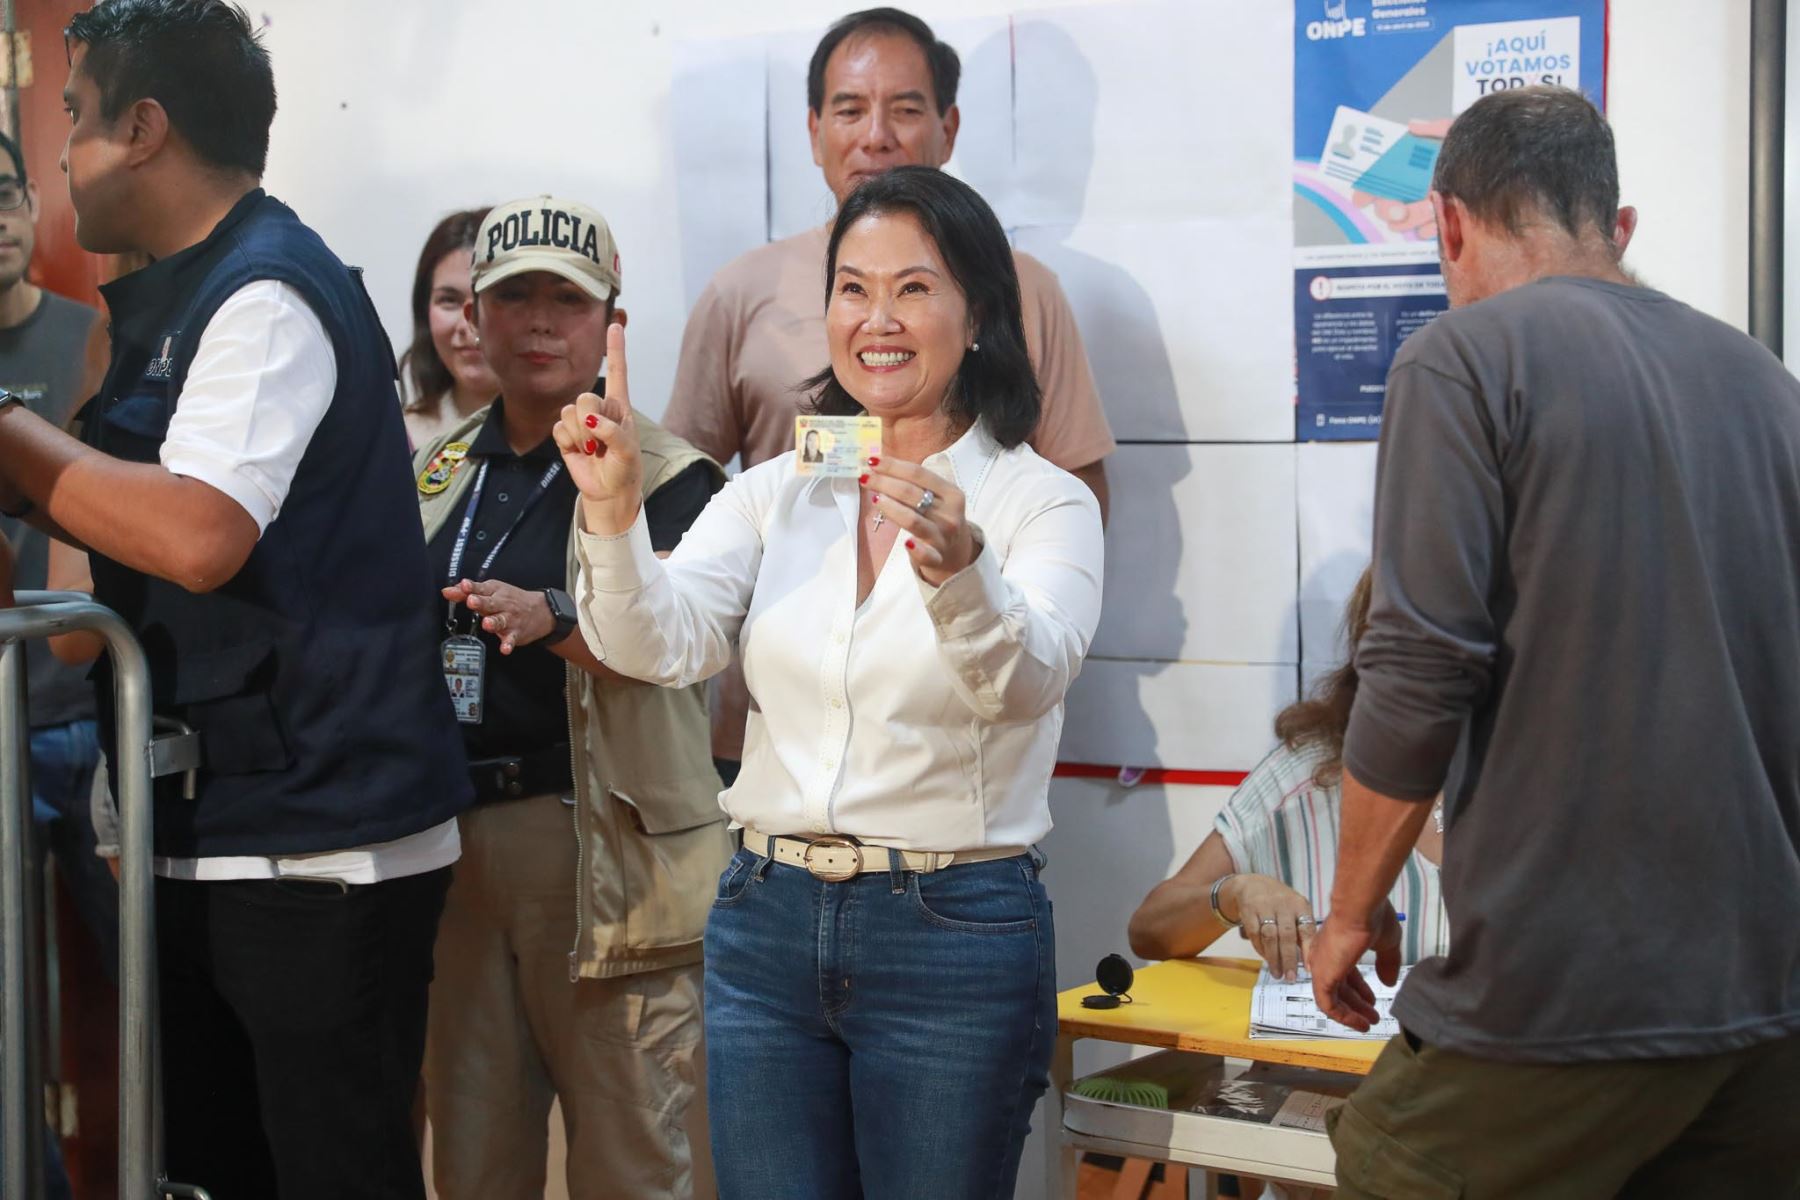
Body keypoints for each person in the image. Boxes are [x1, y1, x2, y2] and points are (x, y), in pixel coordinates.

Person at [0, 3, 472, 1196]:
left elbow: (197, 535)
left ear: (143, 130)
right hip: (211, 829)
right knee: (212, 1171)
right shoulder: (169, 300)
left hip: (319, 849)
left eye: (75, 118)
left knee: (327, 1168)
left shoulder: (267, 294)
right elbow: (114, 533)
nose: (60, 156)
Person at [560, 165, 1103, 1199]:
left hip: (953, 931)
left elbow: (1025, 685)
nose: (877, 319)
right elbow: (657, 645)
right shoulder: (779, 490)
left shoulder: (1042, 502)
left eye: (914, 287)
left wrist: (961, 574)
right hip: (764, 917)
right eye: (852, 288)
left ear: (979, 311)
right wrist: (616, 513)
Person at [1306, 87, 1800, 1197]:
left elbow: (1420, 666)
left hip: (1566, 996)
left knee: (1389, 1164)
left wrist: (1348, 915)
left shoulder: (1462, 358)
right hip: (1765, 1005)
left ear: (1449, 225)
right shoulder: (1769, 385)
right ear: (1616, 227)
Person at [667, 6, 1116, 783]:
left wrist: (980, 580)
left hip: (950, 732)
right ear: (813, 130)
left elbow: (1075, 484)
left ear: (948, 126)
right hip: (775, 730)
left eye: (905, 108)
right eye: (849, 108)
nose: (876, 134)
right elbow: (680, 484)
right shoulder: (740, 290)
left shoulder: (1021, 288)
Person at [416, 194, 728, 1200]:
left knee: (638, 1163)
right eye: (514, 299)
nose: (540, 322)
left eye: (568, 298)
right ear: (476, 317)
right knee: (472, 1160)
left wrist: (551, 613)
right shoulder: (439, 469)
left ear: (610, 324)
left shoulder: (673, 474)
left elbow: (671, 643)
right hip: (458, 848)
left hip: (610, 853)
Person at [1128, 568, 1447, 982]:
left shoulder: (1537, 782)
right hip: (1327, 1047)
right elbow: (1149, 930)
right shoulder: (1305, 776)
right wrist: (1234, 894)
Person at [400, 207, 501, 447]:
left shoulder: (571, 435)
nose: (469, 324)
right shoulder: (396, 439)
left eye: (490, 298)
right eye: (449, 300)